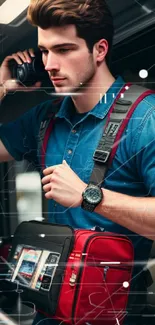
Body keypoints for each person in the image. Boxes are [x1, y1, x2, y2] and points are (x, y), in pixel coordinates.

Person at [0, 0, 155, 324]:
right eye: (44, 52)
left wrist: (89, 197)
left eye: (65, 49)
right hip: (50, 310)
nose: (51, 64)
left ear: (99, 50)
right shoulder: (44, 118)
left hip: (113, 314)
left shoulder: (147, 118)